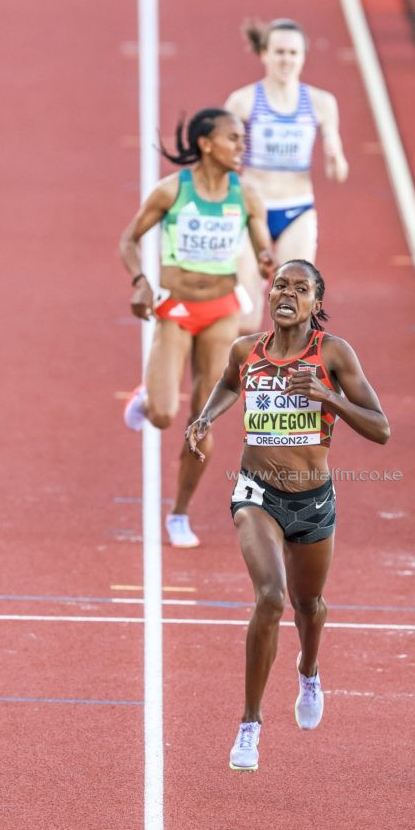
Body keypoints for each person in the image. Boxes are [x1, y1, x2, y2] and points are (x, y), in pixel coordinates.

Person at [185, 259, 390, 770]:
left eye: (301, 289)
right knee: (271, 597)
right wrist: (205, 417)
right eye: (280, 285)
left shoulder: (333, 353)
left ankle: (309, 669)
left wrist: (327, 396)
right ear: (269, 293)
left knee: (309, 605)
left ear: (316, 303)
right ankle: (250, 724)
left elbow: (381, 428)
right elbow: (229, 384)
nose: (287, 294)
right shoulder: (245, 350)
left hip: (313, 500)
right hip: (256, 493)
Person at [119, 108, 274, 548]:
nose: (241, 146)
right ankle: (148, 397)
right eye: (232, 138)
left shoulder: (247, 196)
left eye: (242, 139)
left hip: (222, 312)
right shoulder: (172, 191)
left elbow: (263, 245)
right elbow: (128, 240)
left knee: (202, 422)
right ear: (206, 144)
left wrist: (267, 260)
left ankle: (180, 513)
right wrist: (140, 281)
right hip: (177, 310)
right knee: (164, 414)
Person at [224, 18, 349, 333]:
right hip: (252, 212)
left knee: (295, 311)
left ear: (303, 56)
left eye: (293, 53)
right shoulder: (243, 101)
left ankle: (287, 366)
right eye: (279, 52)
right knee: (246, 317)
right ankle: (241, 365)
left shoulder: (321, 103)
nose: (286, 60)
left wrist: (334, 157)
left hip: (297, 210)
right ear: (264, 54)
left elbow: (339, 173)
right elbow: (221, 156)